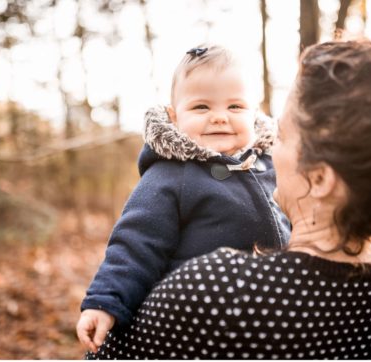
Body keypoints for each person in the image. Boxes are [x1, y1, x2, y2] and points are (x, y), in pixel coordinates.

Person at [88, 25, 371, 360]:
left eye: (284, 136)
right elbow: (134, 243)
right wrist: (106, 299)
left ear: (321, 179)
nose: (270, 147)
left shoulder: (212, 290)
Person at [76, 44, 291, 353]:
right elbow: (135, 243)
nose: (219, 118)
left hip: (268, 324)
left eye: (235, 107)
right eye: (202, 107)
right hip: (194, 327)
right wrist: (106, 301)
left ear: (255, 113)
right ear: (174, 117)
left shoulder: (273, 165)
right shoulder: (171, 176)